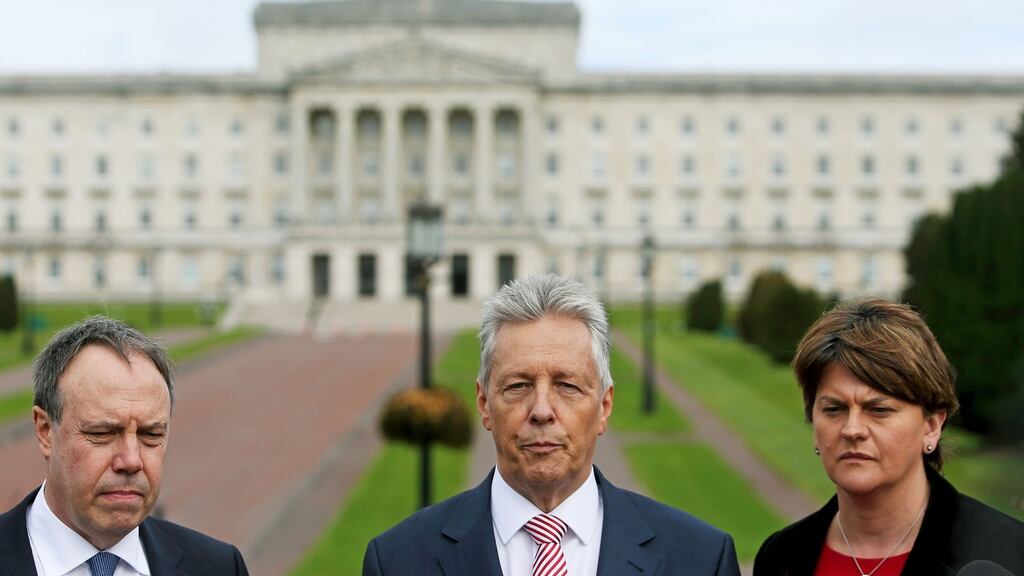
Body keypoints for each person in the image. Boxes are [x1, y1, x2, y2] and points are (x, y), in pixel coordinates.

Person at [364, 273, 739, 576]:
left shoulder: (701, 559)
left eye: (567, 386)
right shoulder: (397, 561)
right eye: (518, 386)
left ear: (604, 405)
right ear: (484, 403)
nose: (541, 410)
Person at [754, 299, 1024, 576]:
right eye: (834, 409)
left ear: (931, 426)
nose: (852, 429)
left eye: (879, 410)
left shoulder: (1008, 555)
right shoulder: (780, 556)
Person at [0, 316, 249, 576]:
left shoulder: (219, 567)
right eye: (103, 433)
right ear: (45, 431)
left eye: (150, 434)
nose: (131, 461)